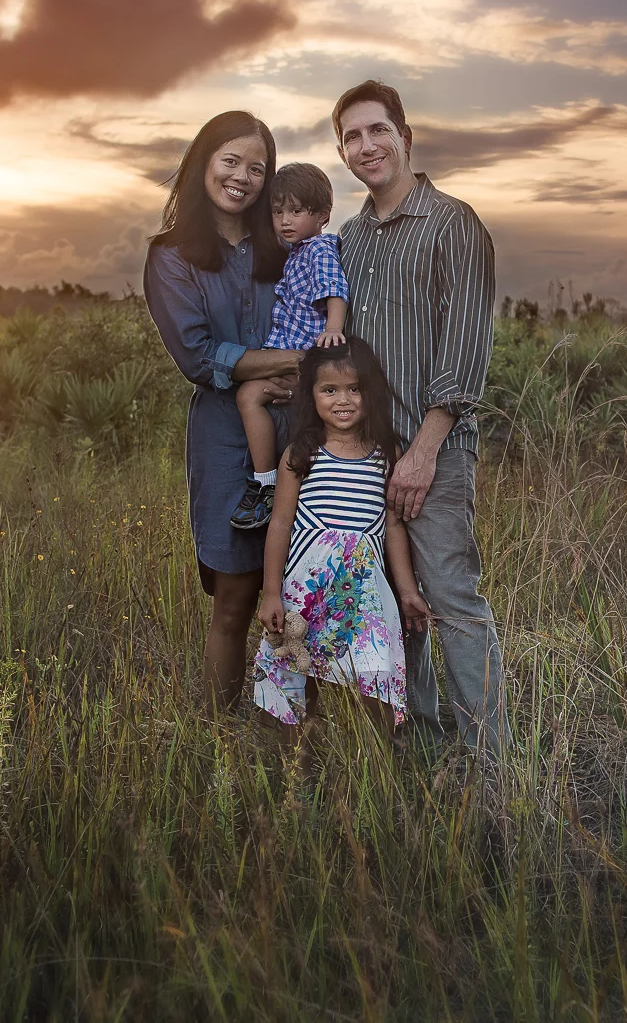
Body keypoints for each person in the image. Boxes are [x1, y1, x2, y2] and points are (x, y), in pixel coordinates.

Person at [332, 79, 509, 758]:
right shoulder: (351, 238)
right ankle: (422, 752)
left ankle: (491, 770)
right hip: (364, 457)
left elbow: (465, 350)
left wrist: (424, 450)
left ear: (405, 138)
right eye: (351, 135)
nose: (366, 145)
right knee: (391, 609)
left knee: (453, 602)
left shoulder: (453, 224)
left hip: (432, 452)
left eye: (377, 130)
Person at [143, 111, 304, 710]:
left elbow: (323, 314)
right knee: (234, 599)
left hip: (303, 433)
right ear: (202, 164)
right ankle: (218, 739)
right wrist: (293, 358)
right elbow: (199, 356)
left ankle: (297, 736)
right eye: (231, 161)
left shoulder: (286, 247)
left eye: (257, 167)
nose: (243, 177)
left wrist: (307, 373)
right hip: (225, 443)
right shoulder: (172, 256)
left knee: (306, 588)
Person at [252, 339, 431, 736]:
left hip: (363, 590)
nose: (343, 400)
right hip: (307, 588)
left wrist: (405, 591)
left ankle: (375, 764)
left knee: (373, 676)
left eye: (355, 388)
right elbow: (280, 523)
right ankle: (295, 773)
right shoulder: (302, 452)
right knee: (293, 676)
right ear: (311, 395)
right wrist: (270, 592)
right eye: (329, 390)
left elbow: (393, 526)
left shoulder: (386, 452)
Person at [230, 162, 349, 532]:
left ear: (323, 215)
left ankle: (280, 488)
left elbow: (335, 291)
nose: (285, 220)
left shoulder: (319, 250)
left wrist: (332, 330)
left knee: (272, 409)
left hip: (303, 358)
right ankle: (266, 483)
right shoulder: (295, 252)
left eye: (296, 211)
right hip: (284, 358)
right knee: (251, 398)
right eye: (278, 211)